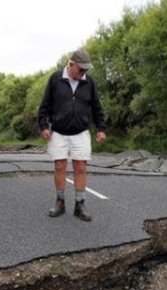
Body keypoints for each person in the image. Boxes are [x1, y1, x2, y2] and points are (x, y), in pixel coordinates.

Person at [38, 48, 107, 222]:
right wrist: (43, 126)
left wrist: (100, 128)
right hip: (59, 132)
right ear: (71, 64)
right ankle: (60, 202)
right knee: (60, 166)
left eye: (86, 69)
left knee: (81, 167)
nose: (84, 72)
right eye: (81, 69)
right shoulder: (56, 79)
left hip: (81, 132)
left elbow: (97, 108)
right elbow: (44, 106)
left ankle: (80, 204)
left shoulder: (89, 82)